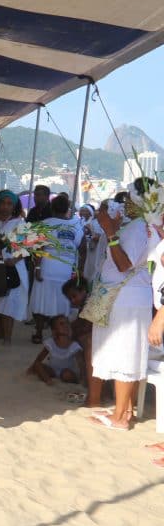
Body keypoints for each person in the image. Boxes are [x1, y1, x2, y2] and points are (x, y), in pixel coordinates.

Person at [88, 184, 157, 429]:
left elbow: (124, 264)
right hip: (126, 296)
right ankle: (124, 410)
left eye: (129, 197)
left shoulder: (140, 227)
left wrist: (110, 232)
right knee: (122, 350)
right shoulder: (139, 225)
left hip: (126, 297)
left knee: (125, 353)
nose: (125, 201)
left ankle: (119, 418)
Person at [29, 195, 81, 344]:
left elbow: (38, 247)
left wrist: (37, 267)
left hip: (47, 267)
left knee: (41, 301)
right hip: (66, 269)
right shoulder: (76, 225)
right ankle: (59, 334)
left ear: (51, 208)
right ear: (68, 209)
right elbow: (81, 247)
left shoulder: (44, 224)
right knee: (62, 303)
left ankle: (38, 332)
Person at [0, 190, 29, 343]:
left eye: (9, 204)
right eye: (3, 203)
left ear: (14, 205)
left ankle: (7, 336)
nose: (6, 206)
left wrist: (14, 260)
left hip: (14, 267)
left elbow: (28, 246)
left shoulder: (20, 223)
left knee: (9, 303)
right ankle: (0, 332)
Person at [28, 315, 82, 385]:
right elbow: (39, 358)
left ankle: (74, 381)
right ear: (54, 329)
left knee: (66, 374)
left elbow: (81, 365)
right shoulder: (50, 343)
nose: (65, 325)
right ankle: (48, 381)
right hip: (52, 370)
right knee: (38, 364)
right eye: (61, 324)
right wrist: (32, 368)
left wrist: (82, 378)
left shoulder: (74, 345)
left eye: (67, 323)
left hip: (67, 372)